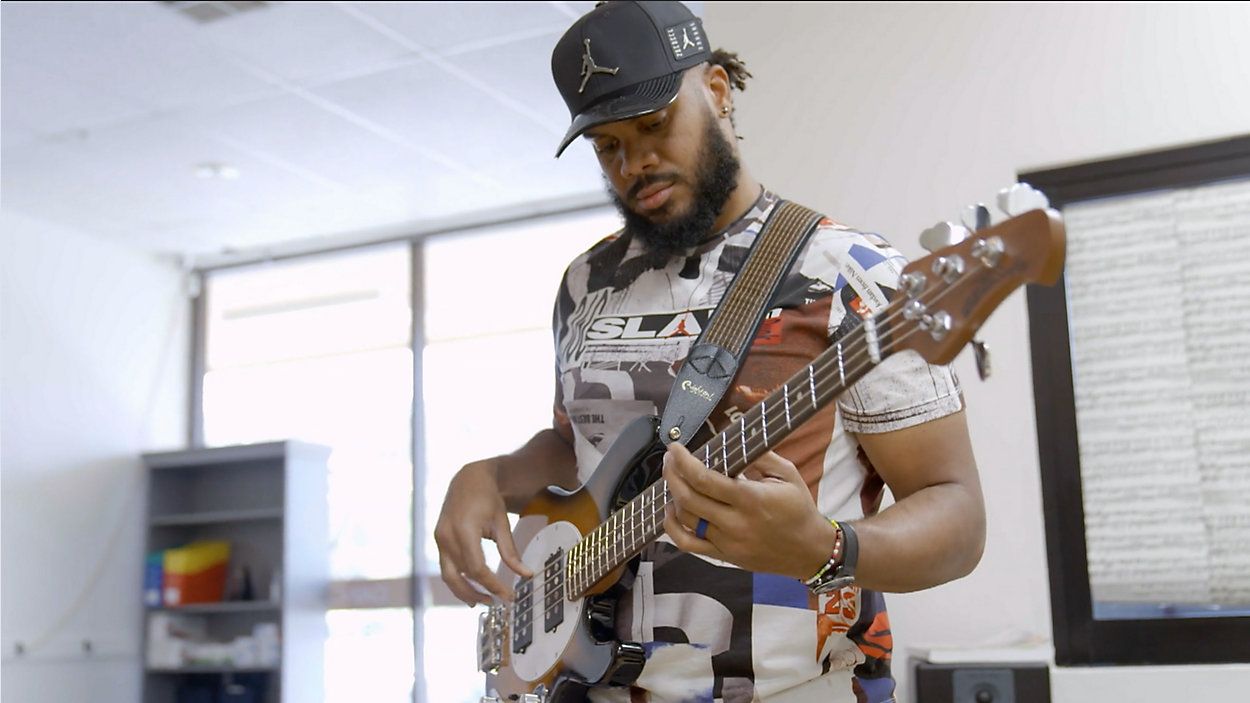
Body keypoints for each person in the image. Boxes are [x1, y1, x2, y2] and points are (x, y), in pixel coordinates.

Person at [434, 2, 985, 701]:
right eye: (607, 146)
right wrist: (490, 474)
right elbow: (579, 449)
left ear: (718, 92)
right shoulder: (584, 283)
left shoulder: (852, 271)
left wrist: (828, 546)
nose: (635, 163)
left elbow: (958, 515)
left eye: (654, 124)